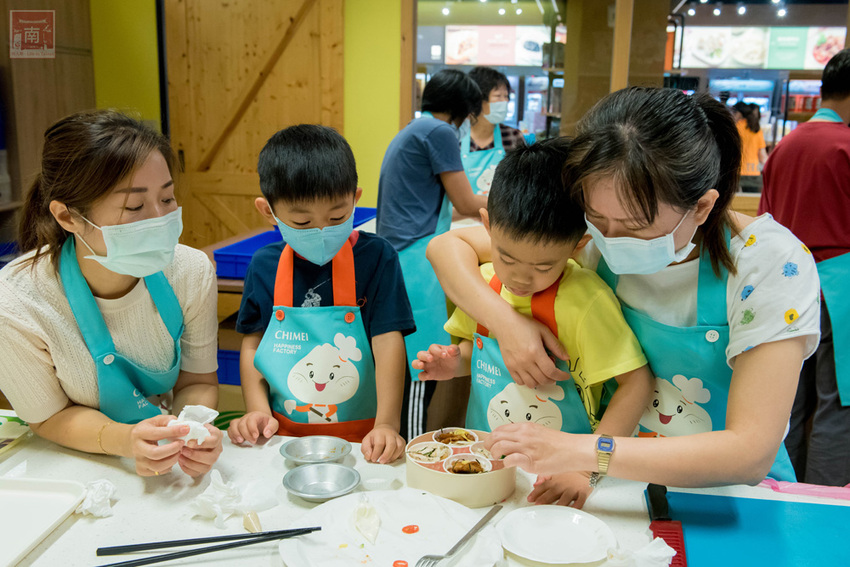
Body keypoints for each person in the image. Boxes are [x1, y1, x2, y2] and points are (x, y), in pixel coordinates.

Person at [427, 87, 821, 488]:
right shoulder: (591, 238)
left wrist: (584, 454)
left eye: (635, 227)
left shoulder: (769, 264)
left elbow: (748, 454)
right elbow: (447, 247)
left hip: (729, 497)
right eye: (595, 217)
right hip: (617, 485)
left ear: (701, 207)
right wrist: (507, 326)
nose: (609, 240)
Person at [413, 138, 653, 507]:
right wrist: (453, 363)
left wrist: (585, 466)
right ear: (487, 226)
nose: (521, 279)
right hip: (487, 461)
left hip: (563, 474)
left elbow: (635, 383)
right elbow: (475, 353)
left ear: (577, 246)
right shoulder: (484, 283)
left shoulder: (584, 301)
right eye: (507, 257)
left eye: (543, 267)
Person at [0, 110, 223, 477]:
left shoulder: (190, 271)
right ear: (68, 217)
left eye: (167, 200)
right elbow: (49, 416)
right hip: (68, 465)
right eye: (134, 207)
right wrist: (124, 440)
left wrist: (190, 432)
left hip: (159, 465)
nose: (159, 219)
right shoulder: (17, 303)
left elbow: (196, 381)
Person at [227, 125, 413, 464]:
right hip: (283, 436)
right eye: (301, 223)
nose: (322, 231)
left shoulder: (377, 257)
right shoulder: (263, 266)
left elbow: (387, 341)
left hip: (367, 442)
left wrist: (387, 424)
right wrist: (256, 410)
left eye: (337, 216)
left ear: (355, 199)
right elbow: (253, 343)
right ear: (268, 211)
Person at [376, 69, 487, 439]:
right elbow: (467, 202)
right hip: (416, 260)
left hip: (402, 253)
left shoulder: (414, 128)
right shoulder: (439, 132)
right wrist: (514, 204)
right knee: (422, 368)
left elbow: (441, 205)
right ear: (462, 109)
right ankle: (414, 453)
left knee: (414, 367)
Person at [759, 49, 850, 487]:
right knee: (838, 403)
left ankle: (785, 489)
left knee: (786, 402)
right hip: (841, 284)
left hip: (788, 283)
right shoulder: (845, 144)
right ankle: (827, 500)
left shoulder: (785, 146)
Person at [461, 66, 530, 196]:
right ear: (478, 100)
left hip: (499, 215)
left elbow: (523, 184)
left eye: (506, 96)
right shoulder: (456, 137)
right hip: (460, 215)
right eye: (498, 96)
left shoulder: (513, 136)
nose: (505, 101)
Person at [733, 101, 767, 193]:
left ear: (739, 114)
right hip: (753, 171)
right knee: (751, 203)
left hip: (736, 172)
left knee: (735, 203)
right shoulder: (756, 129)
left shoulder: (735, 128)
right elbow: (763, 156)